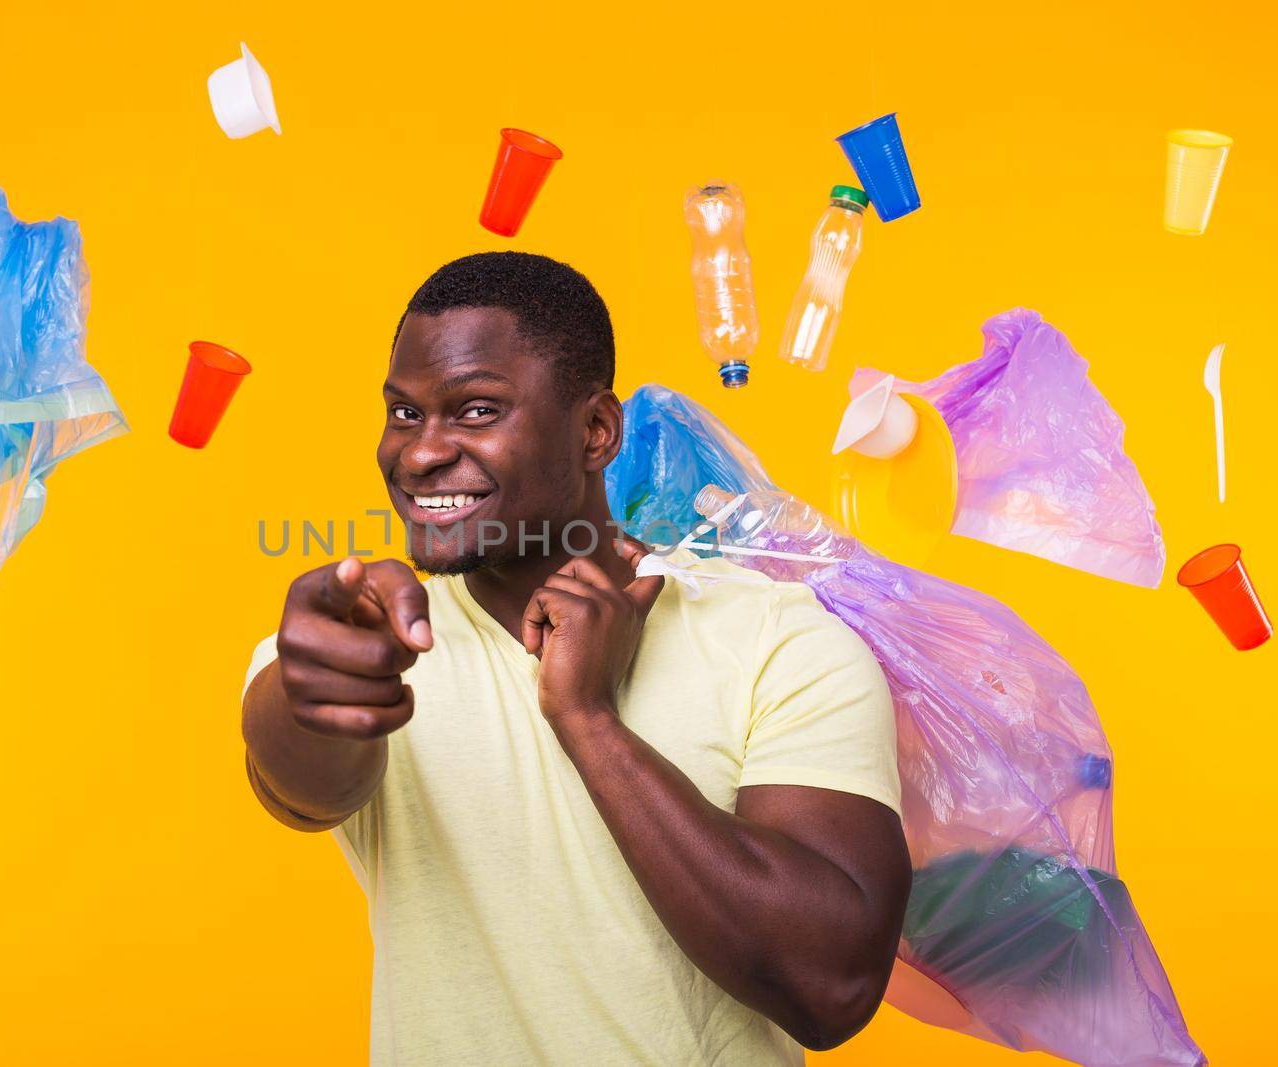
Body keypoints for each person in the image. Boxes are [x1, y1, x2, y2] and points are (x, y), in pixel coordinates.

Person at [240, 252, 910, 1065]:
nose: (418, 455)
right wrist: (316, 694)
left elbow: (830, 988)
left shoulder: (780, 642)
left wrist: (588, 719)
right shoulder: (362, 637)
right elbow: (300, 785)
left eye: (476, 410)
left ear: (596, 431)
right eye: (404, 414)